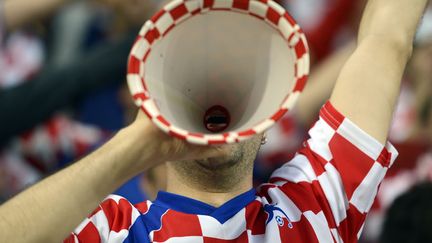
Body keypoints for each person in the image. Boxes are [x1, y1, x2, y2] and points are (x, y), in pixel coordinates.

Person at [0, 0, 427, 242]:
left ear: (267, 122)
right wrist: (138, 144)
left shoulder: (313, 204)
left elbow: (386, 40)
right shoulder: (114, 228)